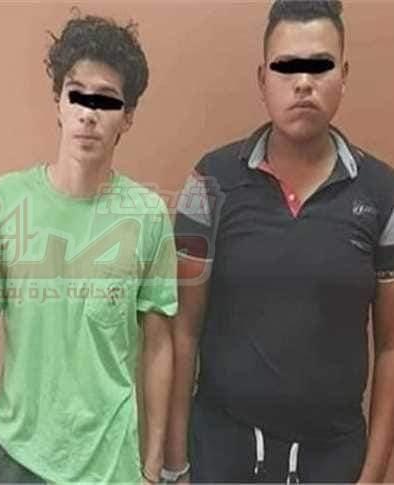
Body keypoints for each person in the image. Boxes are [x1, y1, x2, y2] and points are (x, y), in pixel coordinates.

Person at [166, 1, 394, 483]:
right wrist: (175, 464)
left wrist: (373, 476)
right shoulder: (209, 181)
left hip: (333, 460)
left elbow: (391, 348)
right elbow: (182, 331)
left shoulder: (383, 193)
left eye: (320, 65)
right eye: (286, 66)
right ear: (262, 79)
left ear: (344, 75)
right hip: (220, 456)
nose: (303, 82)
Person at [0, 12, 177, 484]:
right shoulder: (6, 200)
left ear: (127, 118)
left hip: (111, 464)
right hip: (15, 456)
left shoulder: (148, 216)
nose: (88, 114)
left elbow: (159, 344)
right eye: (77, 94)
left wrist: (152, 464)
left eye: (107, 100)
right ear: (58, 102)